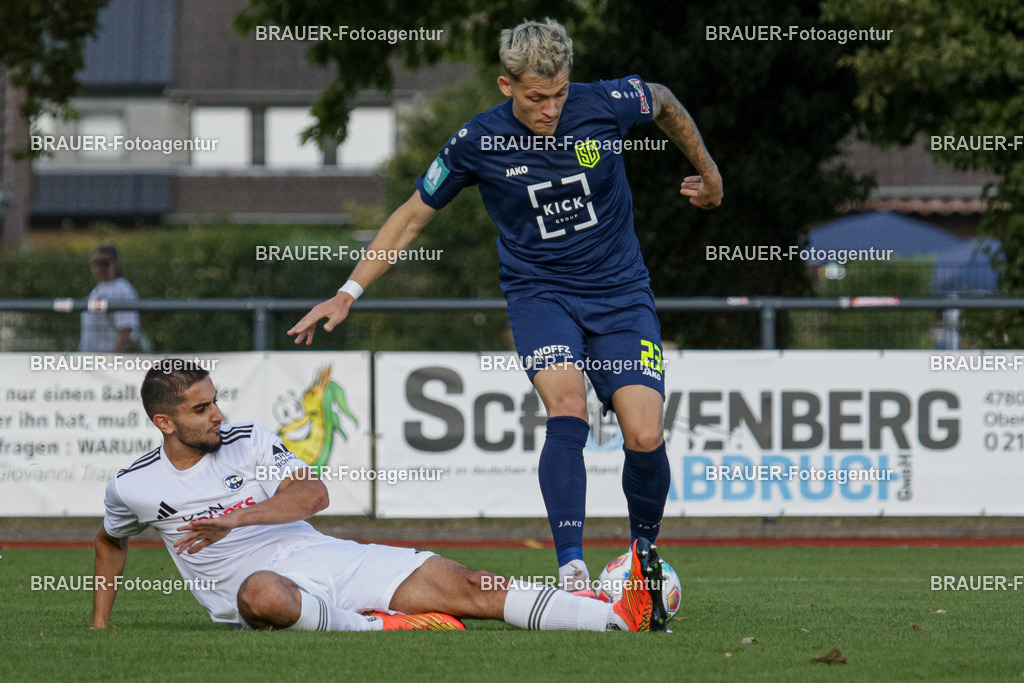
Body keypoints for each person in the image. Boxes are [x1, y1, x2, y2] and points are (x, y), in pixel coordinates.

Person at [289, 18, 722, 592]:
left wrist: (709, 172)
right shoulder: (478, 141)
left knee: (644, 434)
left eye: (559, 93)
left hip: (620, 294)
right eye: (537, 98)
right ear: (506, 85)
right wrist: (349, 291)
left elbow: (662, 99)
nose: (551, 109)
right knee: (568, 408)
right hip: (540, 295)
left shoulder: (605, 103)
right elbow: (411, 216)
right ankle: (572, 569)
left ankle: (644, 557)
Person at [90, 361, 670, 632]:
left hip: (326, 558)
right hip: (263, 591)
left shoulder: (248, 440)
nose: (218, 414)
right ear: (165, 423)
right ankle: (379, 627)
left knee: (471, 583)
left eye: (216, 400)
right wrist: (100, 625)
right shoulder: (134, 485)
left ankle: (614, 617)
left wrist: (236, 518)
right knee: (260, 592)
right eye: (201, 408)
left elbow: (313, 495)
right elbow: (110, 540)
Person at [79, 245, 140, 353]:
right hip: (91, 358)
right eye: (97, 263)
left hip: (108, 358)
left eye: (105, 263)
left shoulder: (123, 289)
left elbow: (126, 331)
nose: (101, 267)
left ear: (115, 264)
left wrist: (113, 360)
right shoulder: (97, 289)